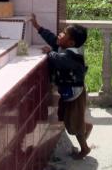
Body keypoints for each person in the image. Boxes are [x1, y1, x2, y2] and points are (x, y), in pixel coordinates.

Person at [30, 14, 92, 159]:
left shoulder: (73, 56)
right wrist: (37, 27)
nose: (59, 34)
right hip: (68, 93)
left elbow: (61, 61)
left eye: (63, 33)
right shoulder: (63, 46)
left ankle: (84, 148)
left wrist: (49, 53)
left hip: (75, 95)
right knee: (66, 117)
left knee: (73, 125)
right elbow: (52, 38)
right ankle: (85, 126)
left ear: (71, 43)